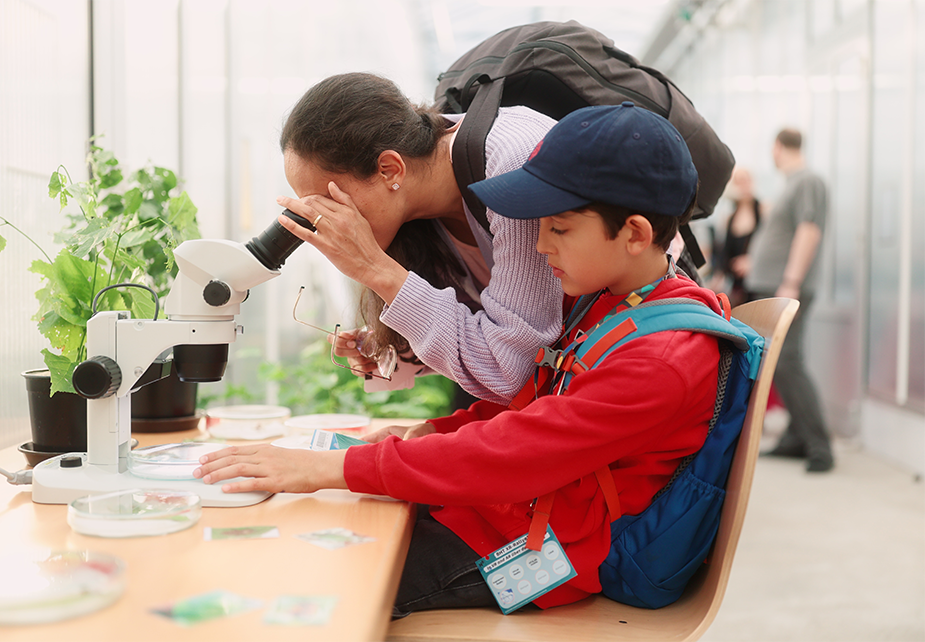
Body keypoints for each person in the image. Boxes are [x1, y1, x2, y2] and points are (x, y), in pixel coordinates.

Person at [194, 103, 723, 613]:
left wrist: (333, 467)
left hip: (557, 548)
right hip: (521, 509)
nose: (537, 247)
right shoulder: (612, 306)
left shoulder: (661, 360)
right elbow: (529, 405)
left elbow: (514, 452)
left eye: (557, 228)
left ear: (634, 234)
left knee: (335, 578)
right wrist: (426, 434)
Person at [274, 72, 563, 406]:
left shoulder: (511, 165)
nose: (328, 220)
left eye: (330, 201)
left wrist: (376, 269)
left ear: (389, 169)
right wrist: (400, 353)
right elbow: (489, 336)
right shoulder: (417, 207)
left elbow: (512, 369)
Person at [745, 128, 833, 473]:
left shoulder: (807, 180)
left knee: (787, 362)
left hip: (787, 285)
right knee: (782, 362)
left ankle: (819, 446)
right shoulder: (794, 183)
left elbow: (809, 230)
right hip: (777, 283)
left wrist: (791, 281)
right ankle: (796, 438)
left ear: (778, 147)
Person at [711, 166, 762, 306]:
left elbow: (769, 246)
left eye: (745, 180)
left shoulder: (763, 210)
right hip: (735, 286)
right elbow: (722, 253)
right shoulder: (728, 218)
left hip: (757, 283)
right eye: (738, 182)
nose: (743, 186)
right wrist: (718, 277)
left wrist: (752, 260)